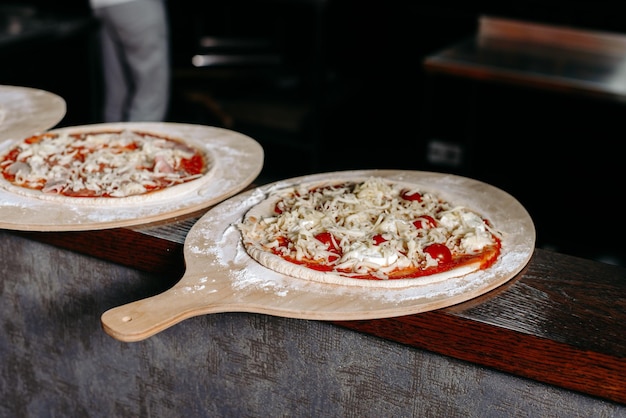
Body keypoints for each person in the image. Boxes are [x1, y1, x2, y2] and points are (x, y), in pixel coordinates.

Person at [89, 0, 170, 122]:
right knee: (149, 94)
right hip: (135, 4)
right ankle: (139, 140)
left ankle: (112, 139)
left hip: (103, 5)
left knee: (117, 92)